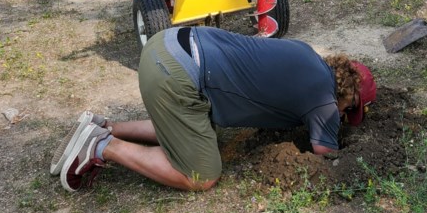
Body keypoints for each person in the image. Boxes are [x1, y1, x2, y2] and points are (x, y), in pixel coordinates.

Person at [49, 26, 377, 192]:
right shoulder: (325, 102)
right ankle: (103, 146)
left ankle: (105, 126)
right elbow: (324, 152)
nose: (346, 117)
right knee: (202, 175)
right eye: (351, 110)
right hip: (176, 76)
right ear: (349, 93)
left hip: (166, 45)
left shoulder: (305, 53)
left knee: (199, 125)